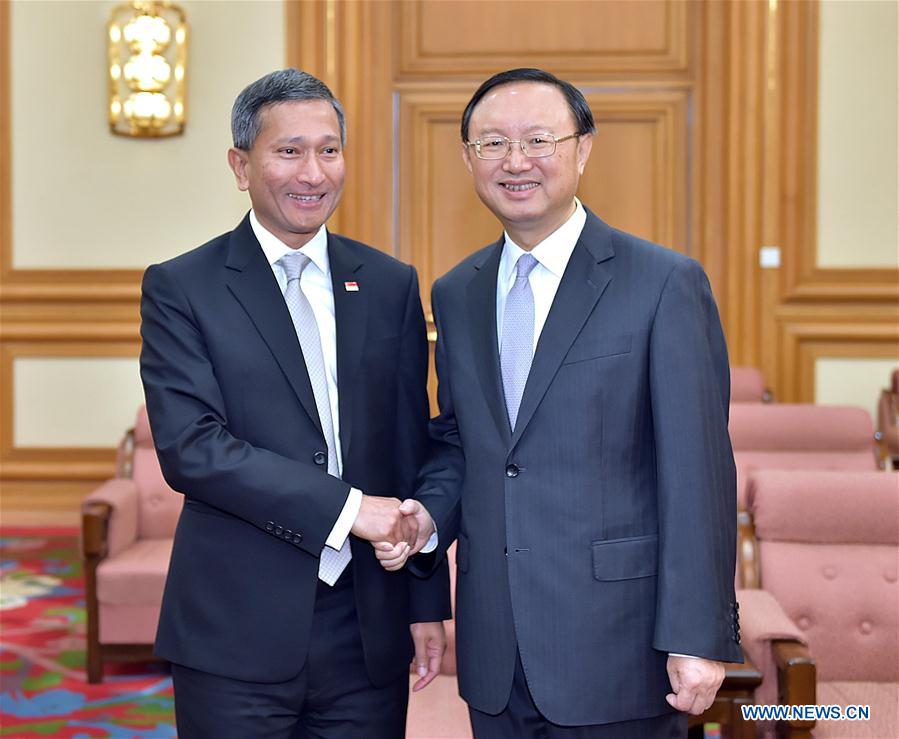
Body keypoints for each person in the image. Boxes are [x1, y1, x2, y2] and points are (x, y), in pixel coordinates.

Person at [377, 68, 742, 738]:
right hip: (494, 651)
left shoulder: (662, 283)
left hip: (620, 646)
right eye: (492, 144)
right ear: (467, 158)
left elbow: (699, 474)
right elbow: (463, 442)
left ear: (582, 148)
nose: (515, 162)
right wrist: (426, 518)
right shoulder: (457, 293)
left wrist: (697, 634)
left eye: (538, 139)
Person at [139, 68, 449, 739]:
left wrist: (424, 601)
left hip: (365, 628)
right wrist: (346, 509)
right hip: (234, 628)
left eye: (329, 150)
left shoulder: (390, 283)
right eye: (288, 151)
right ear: (240, 165)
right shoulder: (183, 287)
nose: (313, 172)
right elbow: (192, 449)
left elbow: (409, 450)